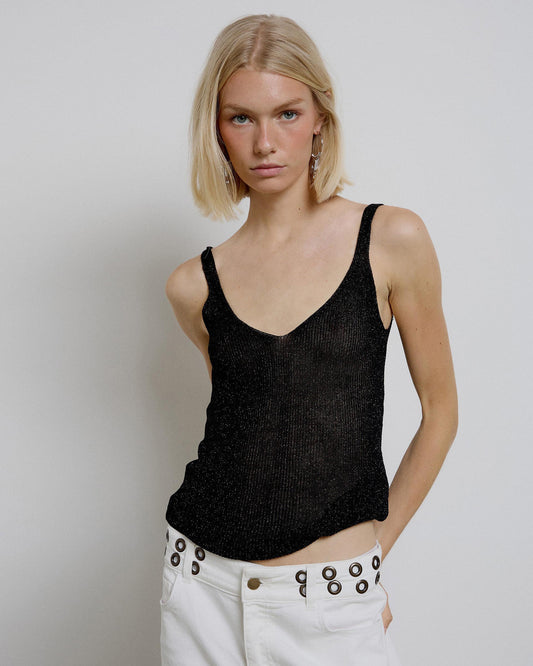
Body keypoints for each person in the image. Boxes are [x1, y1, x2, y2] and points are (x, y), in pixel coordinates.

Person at [161, 13, 458, 666]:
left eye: (287, 114)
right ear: (216, 128)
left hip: (330, 602)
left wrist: (371, 561)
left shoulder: (390, 240)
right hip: (201, 591)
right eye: (241, 118)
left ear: (320, 116)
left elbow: (441, 413)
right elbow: (259, 430)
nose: (265, 142)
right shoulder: (193, 286)